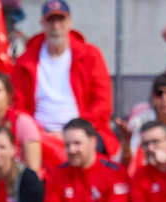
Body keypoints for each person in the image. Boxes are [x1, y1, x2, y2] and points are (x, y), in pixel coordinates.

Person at [12, 1, 117, 157]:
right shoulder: (25, 61)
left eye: (61, 20)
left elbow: (102, 104)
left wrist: (74, 132)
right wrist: (38, 132)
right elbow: (17, 105)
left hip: (83, 129)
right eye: (51, 20)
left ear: (70, 23)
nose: (56, 26)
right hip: (38, 133)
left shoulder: (90, 55)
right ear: (42, 23)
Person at [39, 118, 128, 202]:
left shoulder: (114, 172)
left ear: (93, 142)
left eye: (77, 143)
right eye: (67, 145)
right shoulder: (58, 174)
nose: (71, 150)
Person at [118, 73, 166, 168]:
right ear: (153, 97)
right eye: (159, 94)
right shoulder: (138, 122)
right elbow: (126, 165)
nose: (164, 99)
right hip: (145, 176)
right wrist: (126, 143)